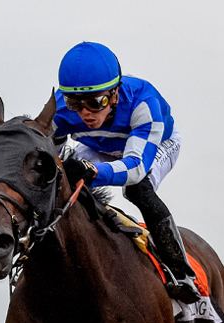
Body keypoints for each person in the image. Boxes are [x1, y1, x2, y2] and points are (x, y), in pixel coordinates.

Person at [53, 41, 201, 304]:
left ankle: (181, 272)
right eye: (75, 103)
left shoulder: (144, 103)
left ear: (115, 94)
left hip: (155, 145)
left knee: (137, 189)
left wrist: (91, 170)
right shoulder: (60, 109)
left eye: (96, 102)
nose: (85, 113)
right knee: (61, 182)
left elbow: (135, 167)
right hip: (100, 147)